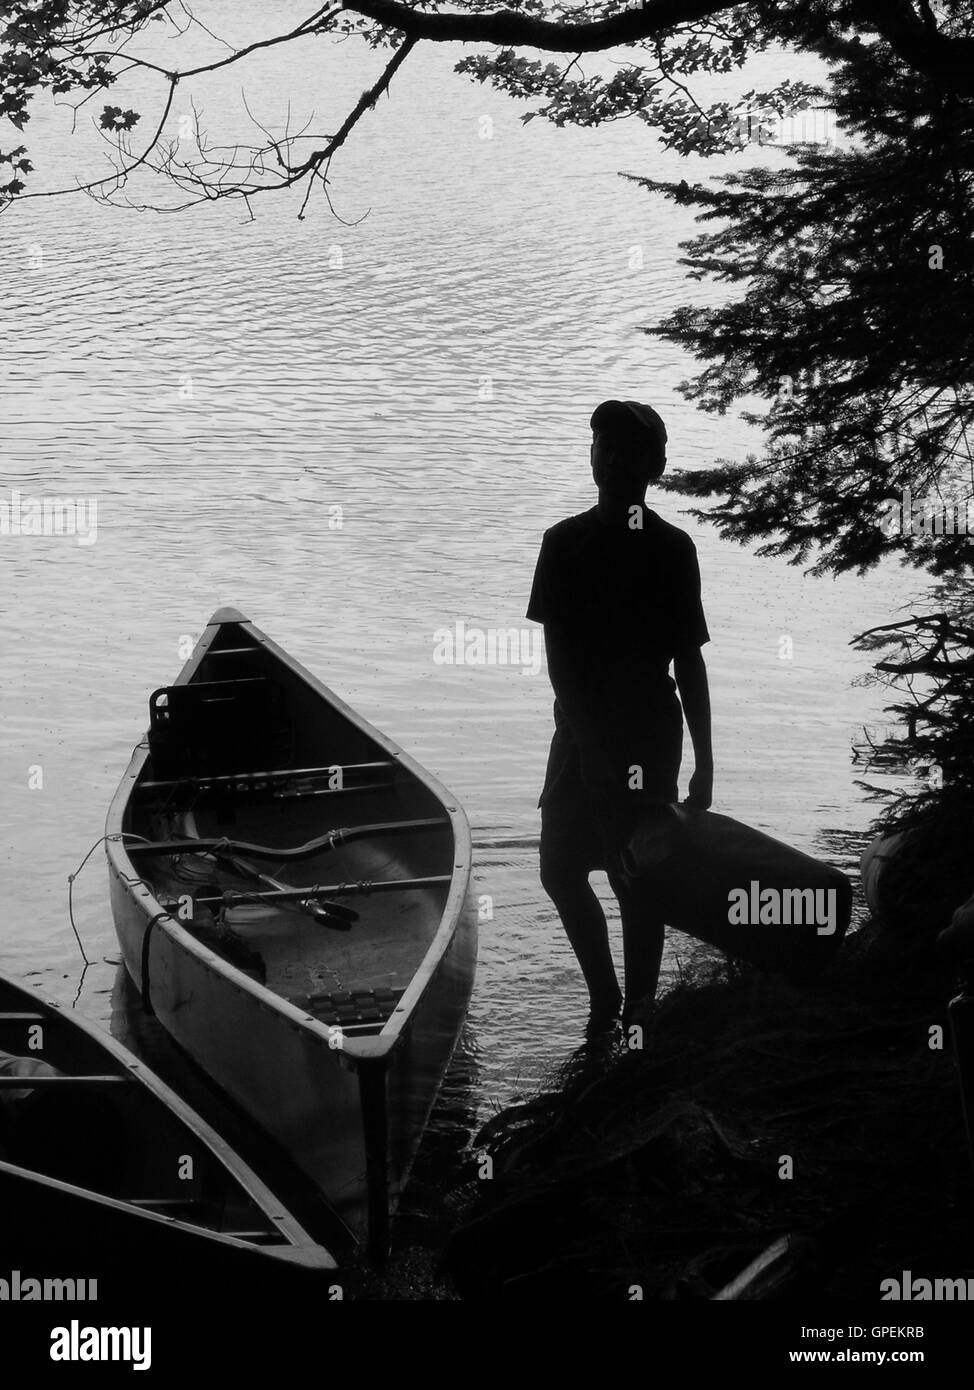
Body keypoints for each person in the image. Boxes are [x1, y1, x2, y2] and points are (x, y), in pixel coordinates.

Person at [526, 399, 714, 1030]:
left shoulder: (671, 549)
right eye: (601, 443)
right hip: (580, 733)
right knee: (559, 868)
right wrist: (589, 746)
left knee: (638, 877)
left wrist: (706, 761)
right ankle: (605, 1000)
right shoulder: (564, 544)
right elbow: (560, 665)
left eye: (625, 446)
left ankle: (639, 1008)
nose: (609, 455)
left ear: (654, 465)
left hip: (647, 737)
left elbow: (688, 661)